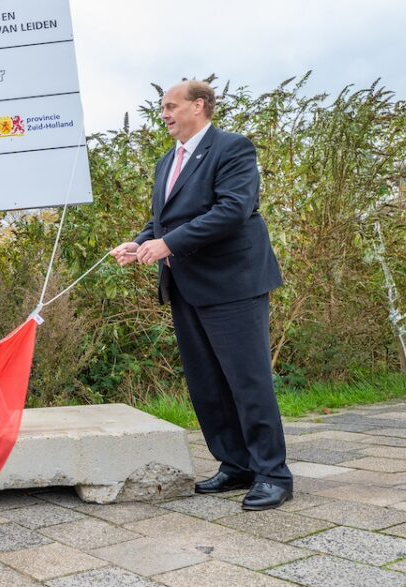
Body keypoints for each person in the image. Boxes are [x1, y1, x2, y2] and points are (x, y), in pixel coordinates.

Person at [110, 80, 293, 511]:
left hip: (233, 283)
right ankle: (235, 464)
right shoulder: (164, 163)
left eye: (171, 106)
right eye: (161, 108)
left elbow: (233, 210)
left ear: (199, 105)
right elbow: (164, 221)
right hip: (184, 286)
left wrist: (168, 245)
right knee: (207, 384)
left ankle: (273, 474)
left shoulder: (233, 149)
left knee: (248, 382)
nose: (164, 114)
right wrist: (139, 243)